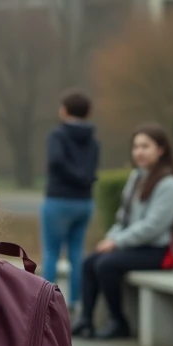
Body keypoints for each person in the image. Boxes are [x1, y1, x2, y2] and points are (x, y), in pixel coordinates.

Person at [73, 123, 173, 340]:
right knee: (90, 262)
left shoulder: (169, 184)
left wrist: (117, 243)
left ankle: (119, 322)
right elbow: (123, 219)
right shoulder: (137, 177)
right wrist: (111, 238)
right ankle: (86, 320)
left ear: (161, 150)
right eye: (136, 147)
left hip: (159, 251)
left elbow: (154, 227)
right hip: (135, 246)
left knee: (105, 265)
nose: (139, 152)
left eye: (145, 146)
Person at [40, 90, 101, 313]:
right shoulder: (93, 141)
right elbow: (92, 168)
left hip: (58, 199)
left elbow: (56, 161)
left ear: (64, 110)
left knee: (51, 252)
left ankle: (46, 302)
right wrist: (83, 178)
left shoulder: (58, 135)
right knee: (77, 252)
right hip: (84, 202)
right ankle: (75, 301)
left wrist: (72, 175)